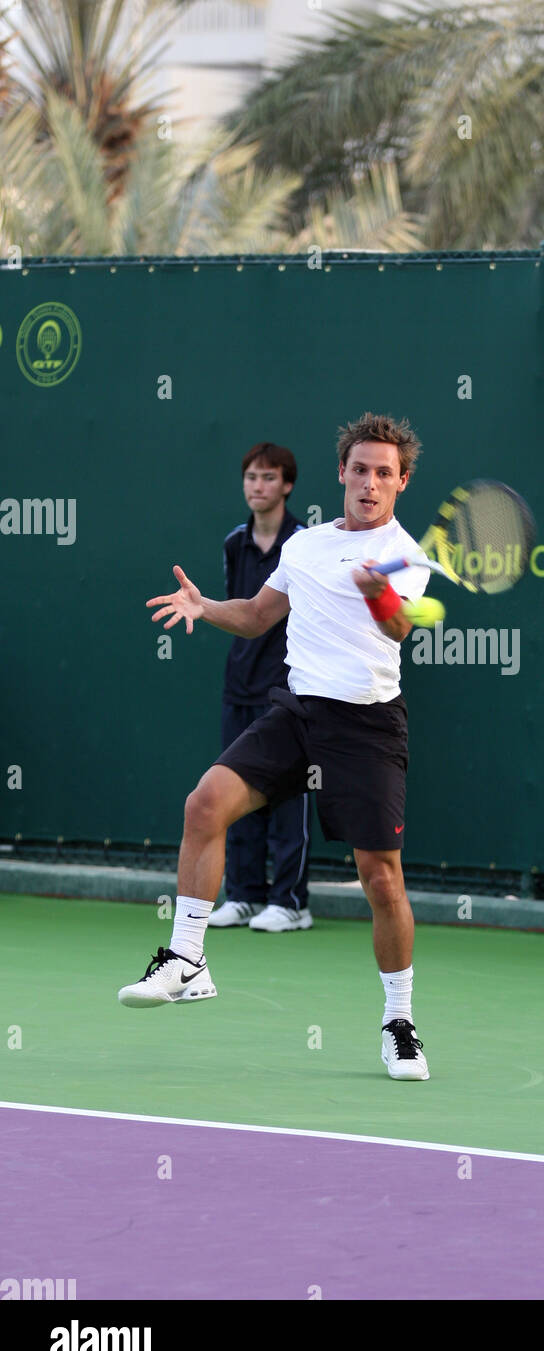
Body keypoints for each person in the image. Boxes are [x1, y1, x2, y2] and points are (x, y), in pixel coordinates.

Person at [119, 413, 433, 1079]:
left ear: (401, 481)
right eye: (359, 468)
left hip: (367, 726)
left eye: (384, 472)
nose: (370, 481)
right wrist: (207, 609)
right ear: (341, 473)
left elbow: (401, 628)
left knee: (380, 877)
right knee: (204, 804)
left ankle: (399, 1021)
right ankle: (187, 958)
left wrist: (378, 588)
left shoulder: (406, 552)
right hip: (295, 713)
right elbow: (260, 615)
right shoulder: (306, 546)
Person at [209, 442, 312, 933]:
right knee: (235, 792)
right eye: (251, 476)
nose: (258, 486)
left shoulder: (306, 545)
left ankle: (291, 902)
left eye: (269, 477)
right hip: (239, 686)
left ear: (287, 485)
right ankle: (245, 894)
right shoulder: (234, 543)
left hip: (291, 690)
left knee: (289, 797)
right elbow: (242, 611)